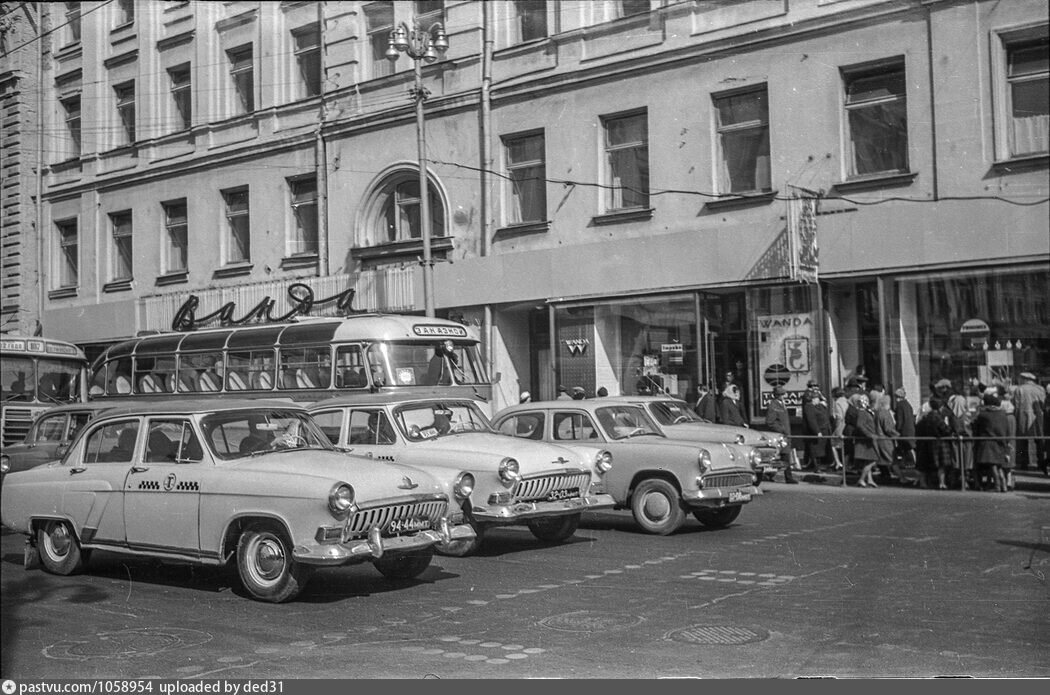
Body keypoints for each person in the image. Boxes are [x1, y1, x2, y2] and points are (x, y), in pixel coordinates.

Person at [915, 396, 957, 490]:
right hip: (940, 443)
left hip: (928, 442)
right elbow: (945, 429)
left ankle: (924, 483)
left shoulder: (926, 417)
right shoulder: (937, 417)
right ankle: (942, 483)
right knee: (941, 466)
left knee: (926, 464)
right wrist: (951, 431)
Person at [972, 392, 1010, 492]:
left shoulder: (984, 415)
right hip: (1000, 442)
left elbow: (976, 426)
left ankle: (997, 485)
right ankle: (1004, 485)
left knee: (992, 465)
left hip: (988, 442)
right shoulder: (1002, 414)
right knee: (999, 465)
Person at [1013, 372, 1046, 473]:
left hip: (1023, 416)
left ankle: (1024, 463)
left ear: (1024, 379)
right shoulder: (1040, 388)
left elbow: (1016, 404)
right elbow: (1043, 404)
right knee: (1039, 441)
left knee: (1022, 441)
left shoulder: (1019, 389)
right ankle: (1041, 462)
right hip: (1038, 417)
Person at [765, 386, 797, 484]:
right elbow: (770, 422)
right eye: (782, 394)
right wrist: (782, 429)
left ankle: (771, 475)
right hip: (780, 436)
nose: (784, 396)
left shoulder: (782, 404)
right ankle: (788, 477)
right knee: (783, 456)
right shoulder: (773, 405)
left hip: (785, 435)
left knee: (784, 456)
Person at [850, 393, 879, 487]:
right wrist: (869, 434)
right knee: (873, 460)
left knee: (868, 460)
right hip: (866, 441)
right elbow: (860, 425)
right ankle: (862, 479)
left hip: (867, 440)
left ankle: (869, 479)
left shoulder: (865, 411)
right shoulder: (862, 412)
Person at [801, 387, 833, 471]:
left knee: (822, 449)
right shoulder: (809, 407)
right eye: (817, 399)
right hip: (817, 431)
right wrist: (817, 431)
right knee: (815, 450)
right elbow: (812, 420)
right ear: (813, 399)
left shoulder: (819, 406)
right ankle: (816, 466)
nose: (819, 400)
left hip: (824, 430)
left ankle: (818, 465)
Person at [873, 393, 899, 483]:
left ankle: (885, 474)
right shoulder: (885, 413)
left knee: (881, 459)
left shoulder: (877, 412)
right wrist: (897, 435)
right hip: (886, 440)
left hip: (879, 439)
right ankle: (902, 477)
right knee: (892, 459)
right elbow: (888, 428)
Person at [893, 387, 917, 481]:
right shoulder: (908, 404)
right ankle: (906, 462)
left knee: (906, 447)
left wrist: (897, 429)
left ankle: (909, 462)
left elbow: (899, 420)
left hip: (904, 431)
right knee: (909, 447)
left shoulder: (899, 405)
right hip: (910, 429)